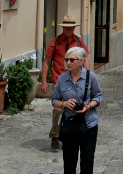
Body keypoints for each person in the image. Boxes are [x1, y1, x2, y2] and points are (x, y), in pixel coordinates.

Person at [40, 15, 89, 150]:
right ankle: (55, 135)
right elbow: (46, 61)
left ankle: (75, 132)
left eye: (70, 27)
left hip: (76, 80)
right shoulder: (55, 41)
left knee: (77, 106)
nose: (68, 29)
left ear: (74, 28)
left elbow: (85, 60)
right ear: (63, 28)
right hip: (59, 80)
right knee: (58, 108)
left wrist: (88, 78)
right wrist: (43, 81)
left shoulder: (79, 42)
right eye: (66, 27)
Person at [51, 47, 102, 174]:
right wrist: (64, 104)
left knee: (87, 162)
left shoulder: (91, 77)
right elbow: (54, 101)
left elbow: (98, 96)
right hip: (70, 125)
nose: (68, 62)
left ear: (81, 61)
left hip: (88, 124)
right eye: (66, 59)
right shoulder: (62, 79)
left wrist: (88, 106)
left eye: (71, 60)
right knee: (69, 163)